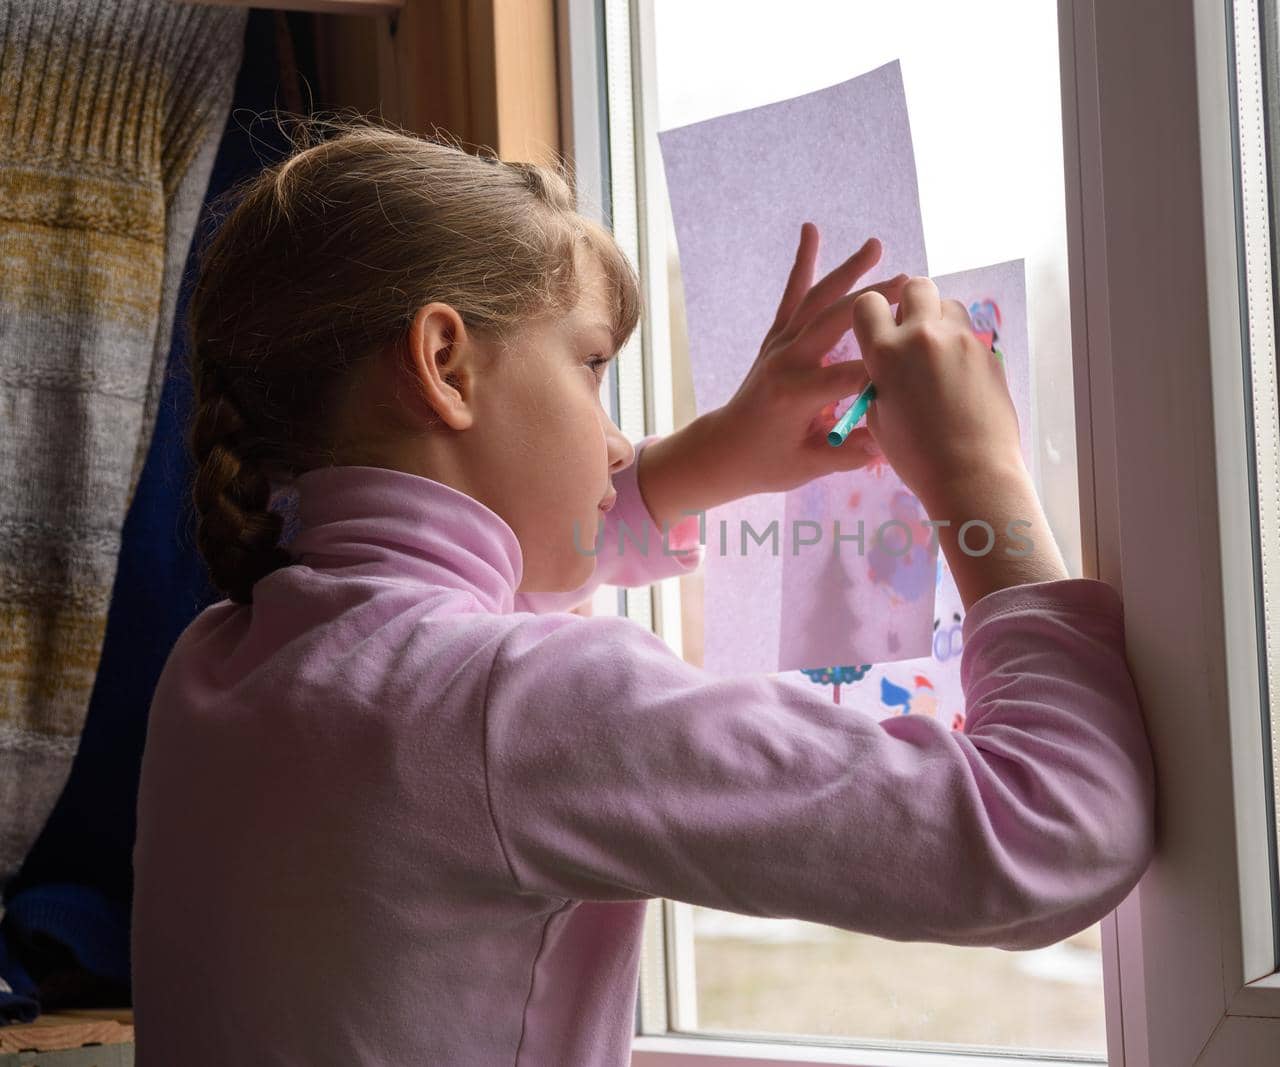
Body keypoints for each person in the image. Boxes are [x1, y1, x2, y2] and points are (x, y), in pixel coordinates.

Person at [130, 119, 1155, 1065]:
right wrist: (982, 484)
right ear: (444, 362)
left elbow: (464, 579)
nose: (615, 437)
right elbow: (1042, 832)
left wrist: (715, 459)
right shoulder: (512, 703)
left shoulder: (224, 660)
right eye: (590, 365)